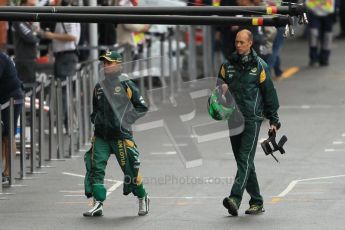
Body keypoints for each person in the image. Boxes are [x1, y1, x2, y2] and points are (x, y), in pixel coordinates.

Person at [218, 30, 280, 216]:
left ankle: (234, 199)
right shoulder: (226, 66)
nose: (238, 45)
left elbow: (269, 94)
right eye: (237, 42)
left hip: (252, 120)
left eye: (242, 42)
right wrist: (220, 90)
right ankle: (257, 201)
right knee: (244, 162)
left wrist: (274, 120)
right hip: (233, 119)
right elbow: (216, 90)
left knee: (244, 159)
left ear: (250, 43)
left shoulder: (260, 66)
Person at [83, 51, 149, 217]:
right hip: (101, 136)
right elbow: (95, 109)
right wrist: (96, 119)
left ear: (119, 64)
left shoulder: (126, 84)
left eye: (109, 63)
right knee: (95, 168)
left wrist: (125, 120)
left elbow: (142, 106)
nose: (106, 66)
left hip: (121, 136)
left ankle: (142, 197)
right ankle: (98, 204)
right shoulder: (98, 86)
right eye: (104, 63)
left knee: (131, 172)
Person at [44, 0, 81, 132]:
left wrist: (51, 35)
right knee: (64, 90)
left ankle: (66, 124)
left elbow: (72, 36)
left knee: (64, 91)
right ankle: (67, 123)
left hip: (66, 57)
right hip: (65, 57)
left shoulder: (67, 14)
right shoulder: (69, 13)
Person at [0, 51, 24, 184]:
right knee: (3, 136)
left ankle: (8, 173)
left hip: (12, 99)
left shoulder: (1, 59)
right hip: (5, 99)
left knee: (8, 136)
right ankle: (3, 171)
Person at [12, 0, 43, 87]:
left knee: (31, 88)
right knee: (26, 88)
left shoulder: (28, 22)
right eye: (31, 5)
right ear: (23, 5)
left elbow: (38, 34)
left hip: (30, 60)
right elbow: (31, 38)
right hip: (23, 60)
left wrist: (36, 33)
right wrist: (36, 34)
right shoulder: (18, 20)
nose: (34, 8)